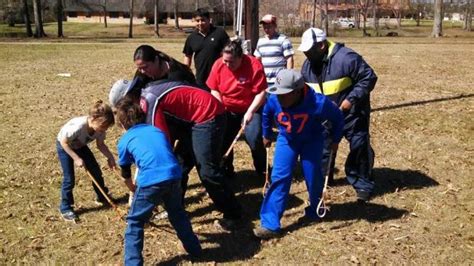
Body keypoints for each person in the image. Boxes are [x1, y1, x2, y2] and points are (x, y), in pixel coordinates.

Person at [109, 79, 242, 230]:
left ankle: (233, 213)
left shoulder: (149, 101)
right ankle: (174, 208)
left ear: (128, 98)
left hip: (208, 114)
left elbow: (160, 141)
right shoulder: (145, 97)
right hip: (191, 121)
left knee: (206, 170)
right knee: (180, 165)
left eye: (122, 106)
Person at [253, 69, 344, 239]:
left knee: (313, 176)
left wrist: (336, 139)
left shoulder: (318, 103)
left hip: (312, 141)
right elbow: (267, 113)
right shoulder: (274, 99)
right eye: (278, 93)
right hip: (286, 140)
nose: (279, 97)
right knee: (279, 177)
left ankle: (315, 211)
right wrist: (266, 134)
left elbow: (337, 117)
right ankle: (270, 223)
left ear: (296, 92)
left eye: (284, 94)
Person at [115, 99, 202, 265]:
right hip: (174, 174)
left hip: (150, 181)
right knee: (177, 214)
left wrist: (132, 188)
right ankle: (195, 249)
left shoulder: (125, 141)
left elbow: (125, 173)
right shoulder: (157, 131)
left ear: (122, 124)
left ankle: (132, 263)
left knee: (135, 221)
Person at [299, 28, 378, 202]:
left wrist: (350, 100)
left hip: (353, 114)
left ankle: (362, 183)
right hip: (325, 116)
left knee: (359, 146)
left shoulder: (347, 58)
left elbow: (369, 77)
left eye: (309, 50)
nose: (306, 54)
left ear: (321, 46)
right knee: (323, 148)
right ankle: (325, 178)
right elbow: (306, 92)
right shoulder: (307, 66)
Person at [206, 39, 268, 178]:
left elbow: (261, 92)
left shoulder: (253, 65)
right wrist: (220, 108)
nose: (227, 65)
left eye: (231, 62)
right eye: (225, 61)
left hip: (251, 107)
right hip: (227, 108)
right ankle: (227, 170)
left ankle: (262, 170)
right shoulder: (218, 65)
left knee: (254, 139)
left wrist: (250, 111)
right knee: (224, 140)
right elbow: (214, 88)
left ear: (241, 58)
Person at [56, 100, 116, 222]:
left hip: (80, 145)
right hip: (65, 146)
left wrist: (110, 157)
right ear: (93, 118)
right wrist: (76, 158)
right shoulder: (78, 127)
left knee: (96, 171)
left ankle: (101, 196)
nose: (104, 130)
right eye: (103, 126)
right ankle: (65, 207)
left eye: (106, 127)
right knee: (69, 179)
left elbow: (101, 145)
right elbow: (64, 142)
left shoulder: (99, 130)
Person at [183, 8, 229, 90]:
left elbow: (229, 52)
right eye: (197, 21)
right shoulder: (192, 37)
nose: (200, 23)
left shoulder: (219, 33)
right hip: (201, 78)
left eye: (203, 20)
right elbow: (188, 56)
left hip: (219, 76)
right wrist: (186, 72)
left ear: (209, 20)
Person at [131, 44, 197, 95]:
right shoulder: (142, 73)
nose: (142, 71)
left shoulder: (179, 75)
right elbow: (132, 95)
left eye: (145, 67)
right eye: (139, 68)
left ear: (156, 60)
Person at [253, 14, 294, 87]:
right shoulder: (260, 41)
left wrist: (288, 77)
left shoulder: (283, 40)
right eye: (264, 27)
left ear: (275, 26)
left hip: (279, 80)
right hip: (264, 80)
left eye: (269, 27)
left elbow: (289, 59)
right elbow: (257, 60)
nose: (266, 29)